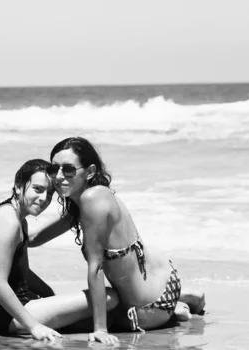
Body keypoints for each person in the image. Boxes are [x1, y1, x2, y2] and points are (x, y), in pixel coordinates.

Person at [44, 137, 205, 342]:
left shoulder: (92, 199)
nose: (58, 176)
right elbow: (32, 238)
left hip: (145, 312)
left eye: (68, 169)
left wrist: (100, 329)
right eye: (53, 169)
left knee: (66, 321)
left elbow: (96, 268)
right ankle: (183, 300)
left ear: (90, 172)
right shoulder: (92, 198)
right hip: (165, 283)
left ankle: (176, 309)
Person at [0, 158, 119, 342]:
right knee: (110, 297)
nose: (43, 199)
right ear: (18, 186)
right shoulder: (9, 222)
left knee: (107, 316)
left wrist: (49, 295)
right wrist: (34, 326)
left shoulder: (6, 214)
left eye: (49, 194)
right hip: (8, 317)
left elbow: (20, 268)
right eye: (38, 189)